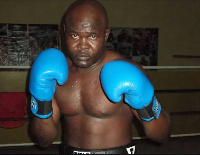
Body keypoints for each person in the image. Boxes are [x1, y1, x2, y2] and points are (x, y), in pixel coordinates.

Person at [29, 0, 171, 154]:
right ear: (64, 31)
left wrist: (146, 104)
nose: (83, 45)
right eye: (75, 35)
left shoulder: (128, 71)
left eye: (92, 36)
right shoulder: (54, 75)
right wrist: (41, 101)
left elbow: (161, 136)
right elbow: (43, 140)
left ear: (106, 35)